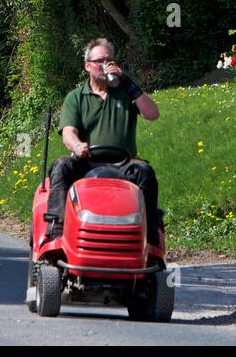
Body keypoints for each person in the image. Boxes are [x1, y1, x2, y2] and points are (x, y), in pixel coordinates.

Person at [44, 37, 162, 241]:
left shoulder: (126, 92)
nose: (105, 65)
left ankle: (149, 233)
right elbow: (68, 133)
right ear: (87, 66)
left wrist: (127, 82)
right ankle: (57, 228)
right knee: (61, 166)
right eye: (99, 61)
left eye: (109, 60)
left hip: (123, 164)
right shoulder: (76, 97)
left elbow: (152, 114)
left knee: (144, 171)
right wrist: (78, 145)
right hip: (86, 163)